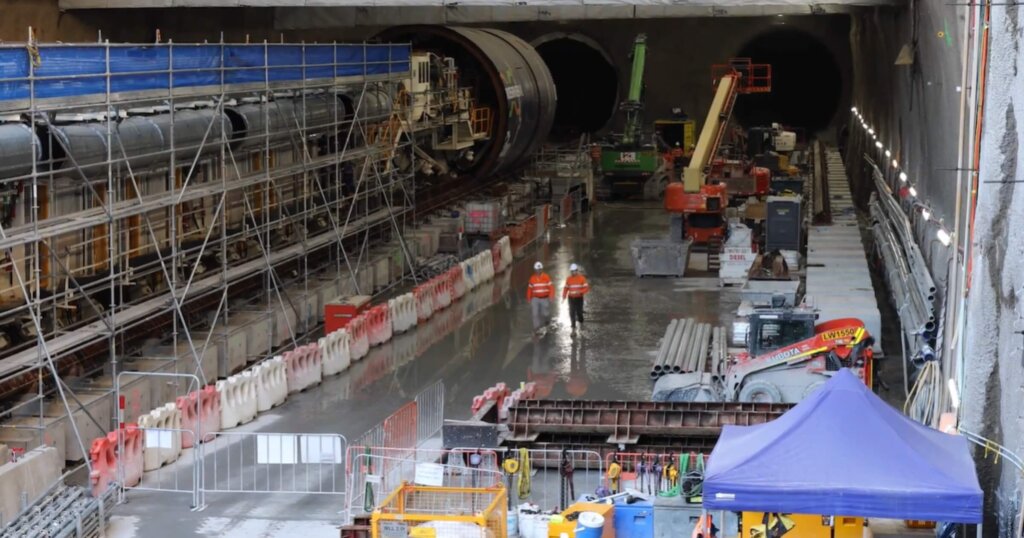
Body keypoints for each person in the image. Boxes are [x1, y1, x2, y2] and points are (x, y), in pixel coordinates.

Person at [562, 263, 590, 331]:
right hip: (571, 298)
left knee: (579, 312)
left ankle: (581, 320)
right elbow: (566, 288)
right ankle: (573, 326)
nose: (573, 272)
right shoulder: (568, 279)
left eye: (574, 271)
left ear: (577, 271)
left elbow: (586, 288)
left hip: (579, 298)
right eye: (572, 271)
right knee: (572, 312)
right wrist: (564, 296)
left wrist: (580, 292)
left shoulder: (582, 278)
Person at [527, 261, 554, 331]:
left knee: (545, 313)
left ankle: (547, 321)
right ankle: (536, 328)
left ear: (542, 269)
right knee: (535, 314)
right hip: (535, 299)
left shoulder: (546, 277)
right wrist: (529, 299)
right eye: (537, 270)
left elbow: (551, 287)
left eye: (539, 270)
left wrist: (551, 296)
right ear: (535, 270)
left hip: (544, 298)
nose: (538, 271)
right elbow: (529, 289)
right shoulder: (532, 279)